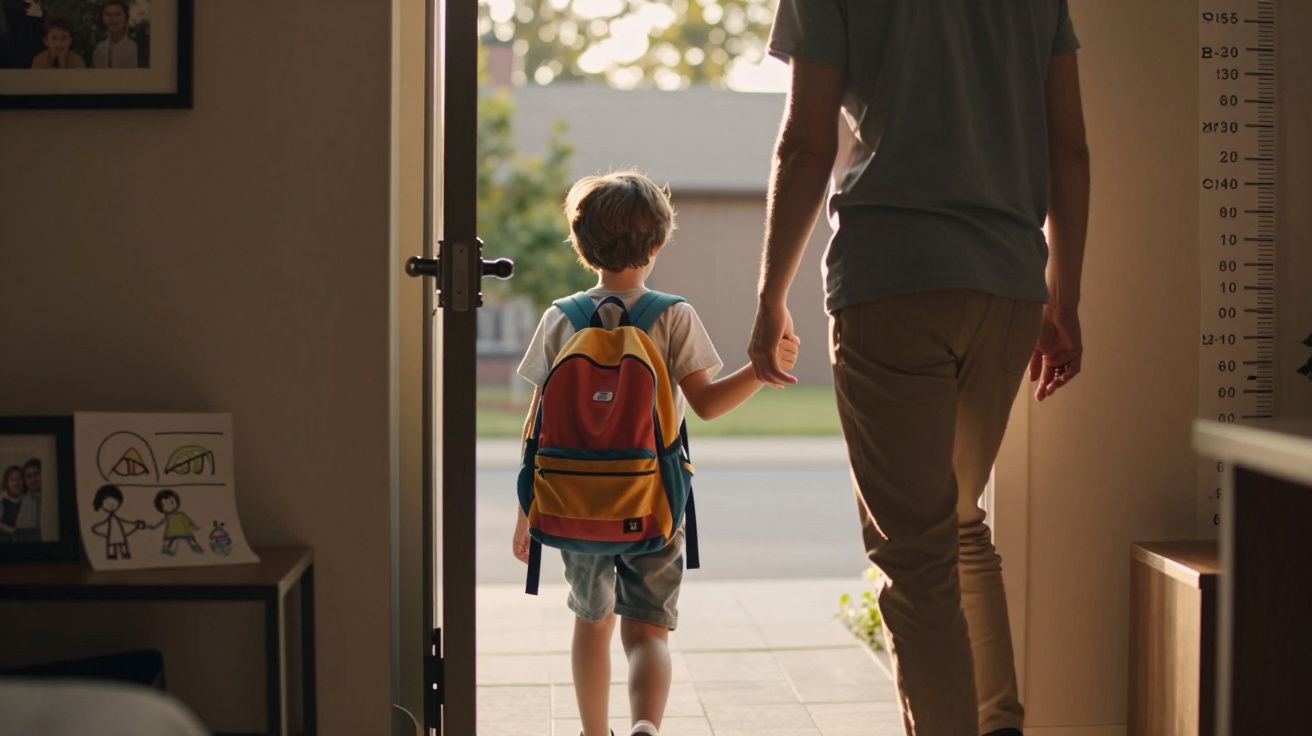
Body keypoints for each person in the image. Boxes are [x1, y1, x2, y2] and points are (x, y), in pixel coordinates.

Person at [748, 2, 1090, 735]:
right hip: (1007, 286)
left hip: (891, 281)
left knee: (916, 558)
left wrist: (770, 296)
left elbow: (807, 145)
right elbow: (1070, 149)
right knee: (961, 524)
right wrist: (1067, 298)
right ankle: (998, 724)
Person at [512, 171, 800, 736]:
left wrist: (528, 511)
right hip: (655, 501)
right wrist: (761, 372)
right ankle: (646, 725)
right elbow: (709, 405)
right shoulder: (673, 315)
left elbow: (538, 425)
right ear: (657, 245)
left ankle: (595, 733)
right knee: (647, 630)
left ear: (579, 242)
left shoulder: (559, 317)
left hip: (573, 502)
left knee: (591, 622)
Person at [151, 489, 203, 555]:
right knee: (169, 540)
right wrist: (154, 526)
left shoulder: (181, 514)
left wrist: (194, 526)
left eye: (172, 502)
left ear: (177, 501)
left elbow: (189, 520)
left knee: (191, 539)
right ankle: (166, 548)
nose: (171, 506)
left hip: (184, 530)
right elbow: (160, 522)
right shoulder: (168, 516)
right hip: (172, 531)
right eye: (166, 505)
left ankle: (196, 547)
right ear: (162, 508)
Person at [91, 0, 136, 69]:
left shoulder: (133, 47)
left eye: (117, 14)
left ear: (126, 18)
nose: (113, 19)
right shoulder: (99, 48)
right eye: (108, 15)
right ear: (103, 18)